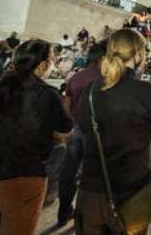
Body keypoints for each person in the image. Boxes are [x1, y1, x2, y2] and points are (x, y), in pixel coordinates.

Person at [73, 29, 151, 235]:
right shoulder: (144, 90)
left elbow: (82, 125)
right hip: (132, 191)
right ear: (137, 55)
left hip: (91, 190)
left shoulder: (91, 89)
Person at [0, 40, 73, 235]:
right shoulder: (46, 93)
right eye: (52, 59)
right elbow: (65, 129)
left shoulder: (1, 87)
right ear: (43, 65)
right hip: (22, 179)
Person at [56, 39, 107, 226]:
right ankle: (86, 216)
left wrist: (75, 122)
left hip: (77, 129)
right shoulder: (105, 79)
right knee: (93, 175)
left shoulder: (76, 77)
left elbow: (66, 106)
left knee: (69, 172)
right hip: (97, 133)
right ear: (103, 58)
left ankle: (64, 210)